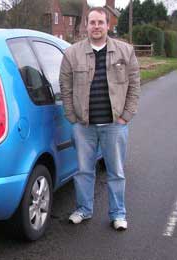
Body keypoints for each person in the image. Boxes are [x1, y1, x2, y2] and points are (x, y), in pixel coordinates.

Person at [59, 7, 140, 231]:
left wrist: (126, 116)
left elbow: (134, 86)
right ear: (86, 25)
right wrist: (72, 117)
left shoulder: (125, 51)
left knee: (116, 172)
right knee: (84, 171)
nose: (96, 27)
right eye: (92, 22)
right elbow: (65, 88)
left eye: (100, 23)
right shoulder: (72, 54)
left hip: (115, 125)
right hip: (84, 126)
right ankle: (84, 210)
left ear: (108, 25)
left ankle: (118, 213)